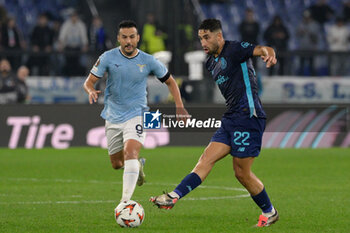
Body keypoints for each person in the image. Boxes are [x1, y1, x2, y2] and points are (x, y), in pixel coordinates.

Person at [150, 18, 279, 228]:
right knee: (205, 159)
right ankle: (173, 197)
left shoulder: (235, 49)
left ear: (219, 36)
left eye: (207, 37)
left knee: (241, 173)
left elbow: (262, 49)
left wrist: (269, 53)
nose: (203, 42)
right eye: (201, 38)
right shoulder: (210, 62)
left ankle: (270, 212)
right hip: (231, 117)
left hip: (249, 115)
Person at [83, 20, 188, 204]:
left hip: (138, 114)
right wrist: (91, 90)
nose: (128, 41)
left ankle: (125, 203)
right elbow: (89, 81)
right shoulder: (108, 57)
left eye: (132, 37)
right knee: (117, 164)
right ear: (118, 39)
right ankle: (137, 166)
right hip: (113, 116)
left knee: (130, 152)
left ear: (138, 38)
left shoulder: (148, 60)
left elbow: (171, 81)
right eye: (124, 37)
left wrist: (179, 106)